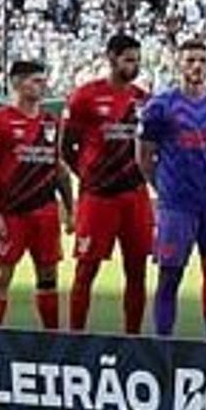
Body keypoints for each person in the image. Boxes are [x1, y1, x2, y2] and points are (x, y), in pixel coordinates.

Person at [135, 41, 206, 340]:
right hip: (176, 205)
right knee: (169, 275)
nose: (197, 66)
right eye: (191, 60)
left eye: (202, 60)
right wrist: (163, 188)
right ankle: (163, 344)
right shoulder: (160, 106)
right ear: (179, 64)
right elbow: (144, 156)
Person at [61, 34, 153, 337]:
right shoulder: (85, 96)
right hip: (98, 198)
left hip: (135, 197)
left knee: (137, 271)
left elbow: (152, 148)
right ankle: (76, 336)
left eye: (137, 59)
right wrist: (87, 176)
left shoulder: (143, 100)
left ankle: (133, 338)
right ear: (111, 58)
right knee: (86, 270)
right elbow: (66, 147)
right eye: (128, 59)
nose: (134, 65)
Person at [0, 62, 63, 331]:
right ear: (17, 83)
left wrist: (70, 209)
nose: (42, 85)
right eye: (35, 80)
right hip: (12, 213)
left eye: (43, 80)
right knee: (2, 273)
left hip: (46, 211)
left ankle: (51, 337)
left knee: (48, 274)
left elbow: (57, 166)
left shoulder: (50, 122)